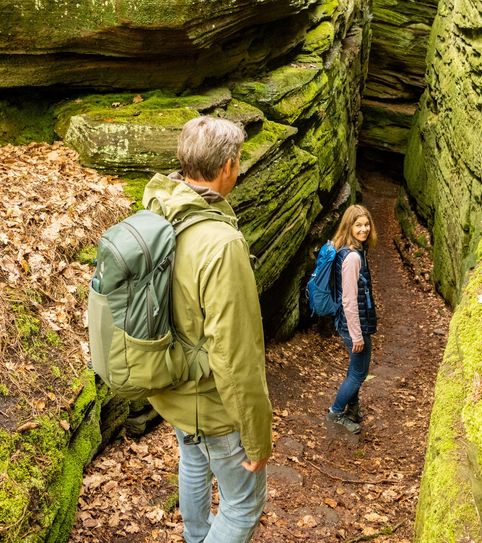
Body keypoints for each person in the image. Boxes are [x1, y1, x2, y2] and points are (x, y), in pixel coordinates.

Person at [142, 116, 273, 543]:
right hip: (209, 401)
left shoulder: (159, 207)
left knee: (193, 460)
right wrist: (256, 434)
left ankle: (195, 536)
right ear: (228, 167)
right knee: (242, 506)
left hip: (171, 386)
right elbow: (236, 354)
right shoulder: (221, 244)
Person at [326, 204, 378, 434]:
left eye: (366, 224)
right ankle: (336, 412)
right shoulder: (353, 258)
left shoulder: (349, 250)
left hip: (351, 322)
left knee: (355, 370)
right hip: (353, 325)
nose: (364, 229)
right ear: (349, 226)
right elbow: (348, 299)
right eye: (358, 225)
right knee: (359, 373)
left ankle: (353, 408)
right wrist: (357, 334)